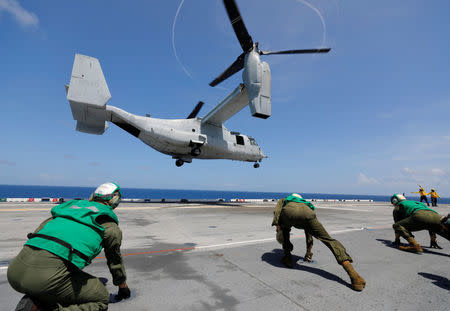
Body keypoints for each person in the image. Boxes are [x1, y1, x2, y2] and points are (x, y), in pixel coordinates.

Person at [7, 182, 131, 311]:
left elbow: (37, 234)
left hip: (14, 272)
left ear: (93, 196)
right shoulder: (110, 226)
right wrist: (122, 286)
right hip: (47, 278)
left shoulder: (64, 212)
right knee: (101, 299)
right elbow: (114, 260)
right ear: (115, 199)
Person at [272, 193, 366, 291]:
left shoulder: (285, 200)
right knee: (329, 240)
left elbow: (277, 212)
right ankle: (354, 277)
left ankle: (287, 258)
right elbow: (309, 234)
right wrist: (309, 253)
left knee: (285, 233)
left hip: (288, 212)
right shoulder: (305, 203)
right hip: (308, 213)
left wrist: (278, 227)